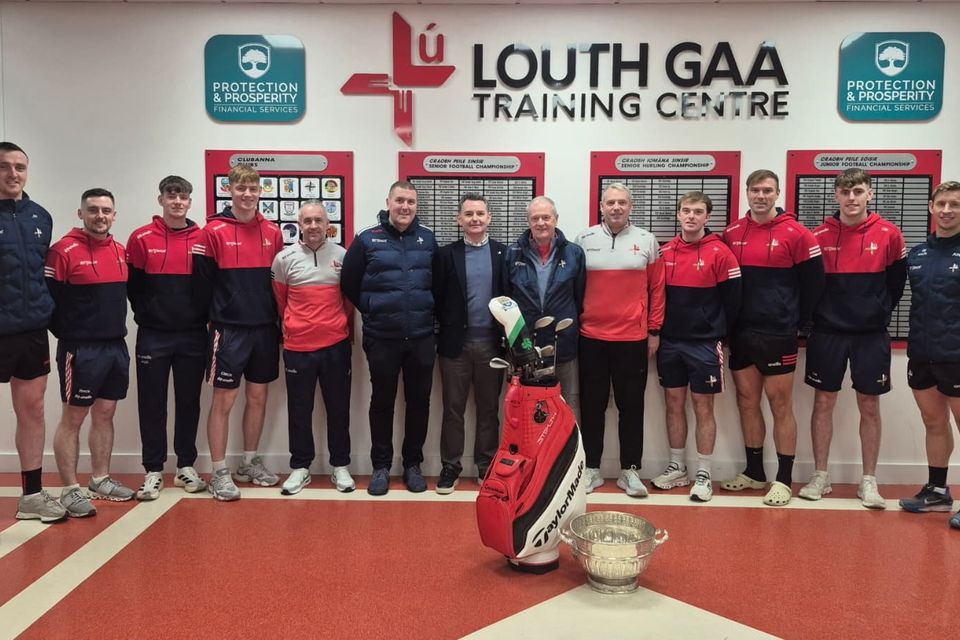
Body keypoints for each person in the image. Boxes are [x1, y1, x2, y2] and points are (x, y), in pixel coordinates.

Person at [800, 168, 906, 509]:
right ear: (836, 195)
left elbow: (896, 284)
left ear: (869, 194)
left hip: (870, 335)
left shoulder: (889, 234)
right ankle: (821, 475)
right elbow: (809, 285)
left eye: (858, 191)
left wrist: (876, 311)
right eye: (845, 192)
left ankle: (868, 481)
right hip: (827, 332)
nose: (851, 198)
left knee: (870, 405)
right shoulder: (817, 235)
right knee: (823, 402)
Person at [720, 169, 824, 506]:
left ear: (777, 194)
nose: (761, 196)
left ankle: (784, 479)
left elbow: (814, 284)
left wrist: (800, 324)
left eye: (767, 190)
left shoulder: (798, 234)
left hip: (779, 333)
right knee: (747, 401)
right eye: (755, 190)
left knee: (780, 404)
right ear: (747, 192)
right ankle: (754, 472)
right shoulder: (732, 232)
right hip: (742, 332)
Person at [341, 181, 438, 496]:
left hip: (421, 337)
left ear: (416, 205)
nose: (405, 207)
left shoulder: (428, 239)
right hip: (382, 337)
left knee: (419, 403)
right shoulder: (367, 238)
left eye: (411, 201)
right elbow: (349, 282)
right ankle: (381, 467)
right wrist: (372, 309)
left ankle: (413, 466)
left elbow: (438, 284)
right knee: (382, 403)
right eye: (400, 200)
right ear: (388, 202)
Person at [194, 164, 283, 500]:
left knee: (258, 398)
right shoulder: (212, 231)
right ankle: (219, 470)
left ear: (260, 191)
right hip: (228, 329)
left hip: (265, 328)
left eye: (253, 188)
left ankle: (249, 462)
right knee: (224, 401)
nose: (247, 194)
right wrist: (216, 318)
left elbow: (277, 282)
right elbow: (201, 285)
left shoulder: (273, 231)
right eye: (241, 188)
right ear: (229, 190)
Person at [47, 188, 134, 516]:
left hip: (115, 346)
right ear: (81, 213)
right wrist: (71, 335)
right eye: (93, 210)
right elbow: (49, 301)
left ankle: (100, 479)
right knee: (74, 417)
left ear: (114, 215)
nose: (100, 216)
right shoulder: (62, 251)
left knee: (105, 413)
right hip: (80, 349)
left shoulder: (120, 250)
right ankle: (70, 489)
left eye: (106, 210)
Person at [651, 192, 741, 503]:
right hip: (670, 342)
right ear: (678, 214)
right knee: (673, 404)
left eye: (698, 211)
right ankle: (677, 466)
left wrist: (716, 332)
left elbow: (733, 301)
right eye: (686, 211)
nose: (691, 216)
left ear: (707, 217)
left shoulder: (721, 253)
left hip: (704, 343)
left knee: (704, 407)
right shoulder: (664, 252)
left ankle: (703, 473)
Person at [574, 183, 663, 497]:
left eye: (622, 202)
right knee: (591, 405)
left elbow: (657, 289)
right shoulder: (583, 240)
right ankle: (592, 469)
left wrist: (654, 330)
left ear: (631, 206)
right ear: (601, 206)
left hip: (633, 338)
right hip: (591, 337)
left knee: (632, 406)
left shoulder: (647, 240)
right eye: (610, 202)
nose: (616, 207)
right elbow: (574, 287)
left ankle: (630, 471)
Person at [126, 176, 208, 500]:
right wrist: (150, 313)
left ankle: (186, 465)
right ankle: (153, 470)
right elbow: (133, 287)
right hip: (153, 335)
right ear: (160, 199)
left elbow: (209, 283)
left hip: (193, 334)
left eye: (183, 196)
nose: (177, 201)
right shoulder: (141, 237)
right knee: (152, 403)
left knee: (189, 401)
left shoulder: (203, 238)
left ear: (190, 201)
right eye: (171, 195)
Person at [0, 142, 66, 523]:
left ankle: (32, 496)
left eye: (19, 167)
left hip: (31, 330)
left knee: (33, 409)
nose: (13, 174)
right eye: (4, 166)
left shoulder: (41, 216)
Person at [272, 201, 354, 495]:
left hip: (336, 346)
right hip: (298, 347)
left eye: (319, 220)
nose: (313, 226)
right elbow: (281, 301)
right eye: (307, 221)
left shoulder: (343, 256)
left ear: (327, 224)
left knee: (338, 408)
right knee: (299, 409)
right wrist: (297, 325)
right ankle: (300, 467)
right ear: (300, 225)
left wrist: (335, 325)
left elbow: (348, 300)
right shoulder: (284, 259)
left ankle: (340, 465)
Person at [433, 193, 507, 493]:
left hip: (492, 345)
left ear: (489, 218)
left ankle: (486, 465)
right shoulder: (445, 255)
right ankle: (450, 466)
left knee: (489, 409)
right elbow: (436, 297)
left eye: (479, 213)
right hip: (455, 346)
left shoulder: (503, 254)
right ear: (459, 220)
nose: (474, 219)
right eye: (468, 214)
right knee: (453, 409)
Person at [898, 181, 960, 526]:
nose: (947, 210)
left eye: (955, 204)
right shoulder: (918, 253)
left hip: (957, 354)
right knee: (933, 422)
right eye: (942, 204)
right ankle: (937, 491)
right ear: (931, 208)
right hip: (922, 353)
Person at [505, 196, 585, 424]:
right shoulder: (512, 253)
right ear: (528, 221)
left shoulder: (574, 253)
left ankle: (566, 447)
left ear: (556, 219)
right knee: (527, 409)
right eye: (535, 218)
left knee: (566, 404)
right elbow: (506, 299)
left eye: (546, 217)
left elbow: (579, 297)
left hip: (562, 343)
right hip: (525, 344)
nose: (541, 223)